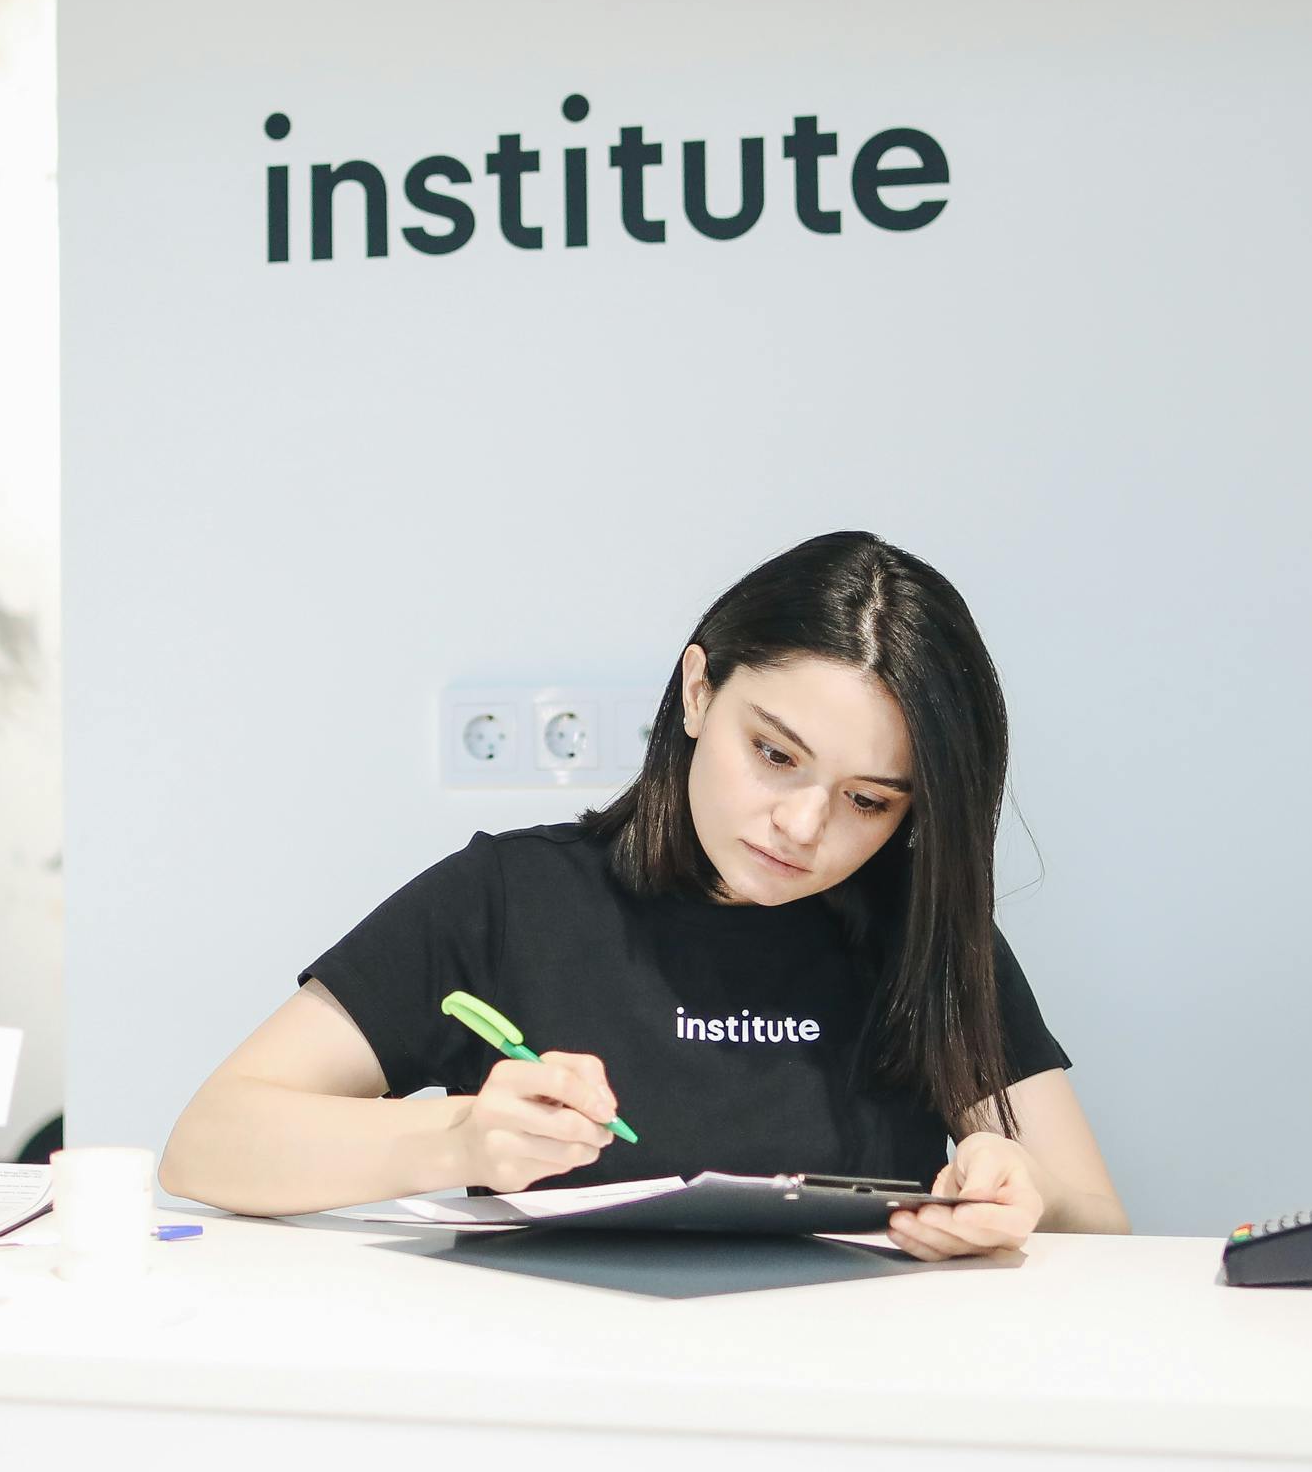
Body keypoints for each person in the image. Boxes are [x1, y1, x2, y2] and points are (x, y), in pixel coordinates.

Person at [160, 530, 1129, 1259]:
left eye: (866, 799)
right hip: (551, 1409)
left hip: (848, 1417)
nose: (802, 825)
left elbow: (1098, 1222)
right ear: (699, 691)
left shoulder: (919, 930)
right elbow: (211, 1142)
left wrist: (1016, 1191)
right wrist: (456, 1135)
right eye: (774, 753)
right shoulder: (509, 897)